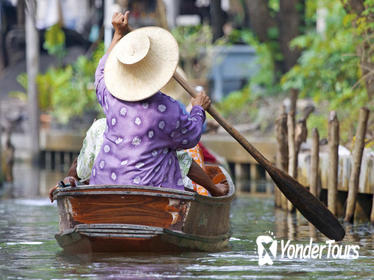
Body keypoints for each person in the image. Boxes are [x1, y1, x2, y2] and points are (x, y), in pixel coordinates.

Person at [90, 11, 212, 190]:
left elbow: (101, 71)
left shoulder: (111, 97)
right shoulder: (169, 109)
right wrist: (198, 109)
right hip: (151, 192)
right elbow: (191, 135)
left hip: (104, 186)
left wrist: (117, 34)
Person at [48, 119, 228, 202]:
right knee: (190, 153)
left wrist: (68, 181)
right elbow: (186, 163)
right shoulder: (158, 126)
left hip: (109, 200)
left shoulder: (100, 127)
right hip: (153, 203)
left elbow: (80, 172)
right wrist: (215, 190)